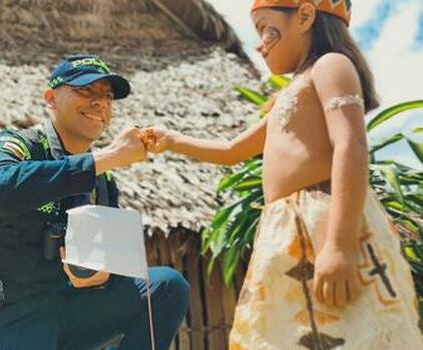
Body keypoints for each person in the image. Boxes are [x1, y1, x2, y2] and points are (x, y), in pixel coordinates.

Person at [142, 1, 423, 349]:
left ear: (304, 16)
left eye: (264, 28)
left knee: (351, 329)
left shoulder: (331, 66)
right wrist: (173, 141)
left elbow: (350, 145)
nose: (259, 43)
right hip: (286, 229)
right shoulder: (288, 95)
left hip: (326, 219)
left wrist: (339, 245)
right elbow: (232, 151)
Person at [0, 54, 189, 350]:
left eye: (107, 96)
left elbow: (106, 258)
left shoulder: (102, 180)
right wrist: (106, 157)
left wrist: (101, 274)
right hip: (5, 314)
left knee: (166, 286)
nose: (100, 102)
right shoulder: (16, 145)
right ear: (51, 98)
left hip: (68, 308)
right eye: (85, 90)